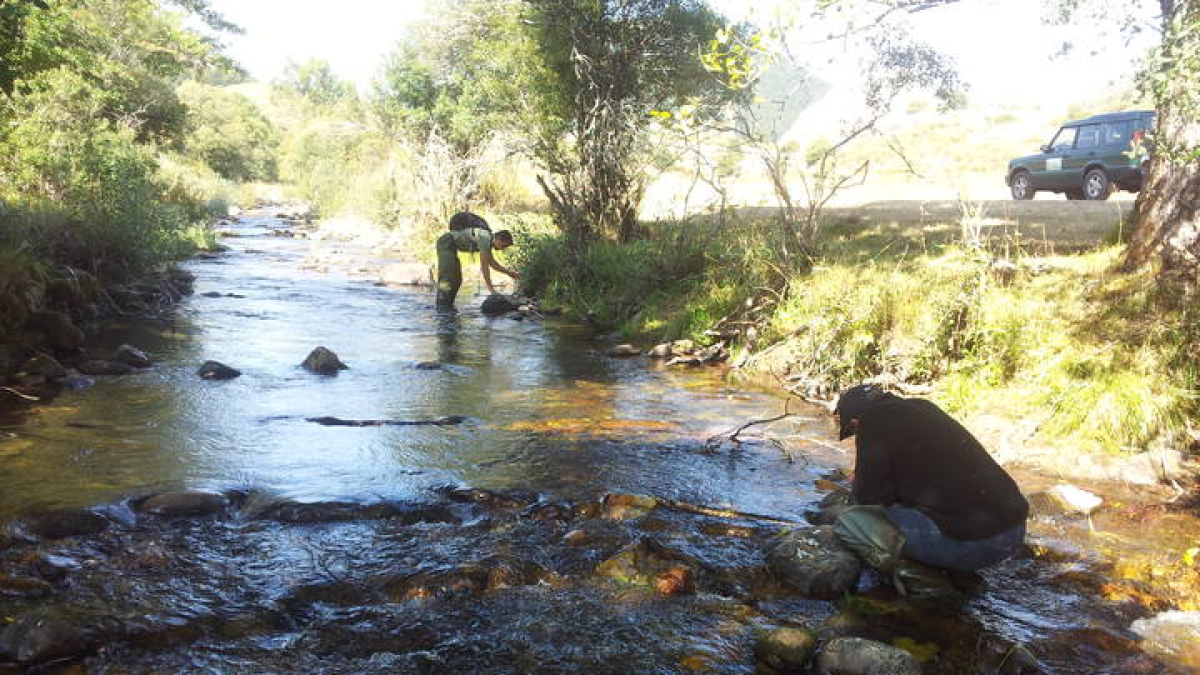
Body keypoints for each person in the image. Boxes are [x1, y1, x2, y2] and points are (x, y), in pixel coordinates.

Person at [828, 384, 1029, 605]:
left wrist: (860, 480)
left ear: (856, 422)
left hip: (979, 545)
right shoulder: (923, 407)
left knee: (850, 522)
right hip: (1015, 530)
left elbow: (869, 498)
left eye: (854, 430)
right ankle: (955, 572)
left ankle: (921, 583)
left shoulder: (875, 422)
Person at [435, 212, 521, 309]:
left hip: (450, 246)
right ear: (499, 239)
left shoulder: (487, 240)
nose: (502, 249)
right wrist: (491, 289)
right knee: (448, 277)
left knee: (457, 279)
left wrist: (509, 273)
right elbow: (485, 266)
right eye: (503, 245)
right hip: (446, 243)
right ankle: (442, 308)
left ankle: (447, 306)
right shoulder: (485, 238)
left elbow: (492, 263)